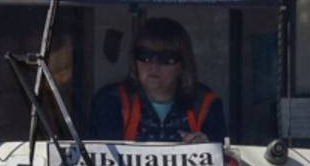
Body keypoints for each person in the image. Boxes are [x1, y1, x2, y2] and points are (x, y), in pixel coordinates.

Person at [90, 17, 225, 143]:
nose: (153, 66)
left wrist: (208, 148)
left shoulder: (203, 104)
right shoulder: (111, 101)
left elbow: (225, 161)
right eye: (145, 55)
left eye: (166, 58)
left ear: (183, 65)